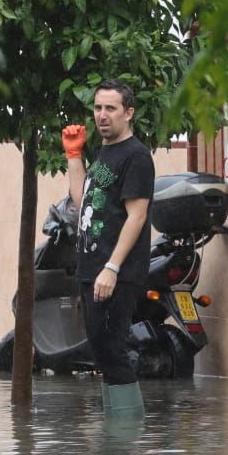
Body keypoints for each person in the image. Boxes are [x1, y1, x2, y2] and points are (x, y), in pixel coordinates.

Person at [63, 80, 153, 411]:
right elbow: (81, 200)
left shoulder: (136, 157)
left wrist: (112, 268)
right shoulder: (105, 153)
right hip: (92, 268)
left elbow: (137, 216)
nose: (102, 115)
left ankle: (127, 431)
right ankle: (115, 429)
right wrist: (74, 155)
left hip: (116, 272)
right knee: (100, 350)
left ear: (128, 113)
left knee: (112, 349)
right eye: (98, 108)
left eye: (110, 108)